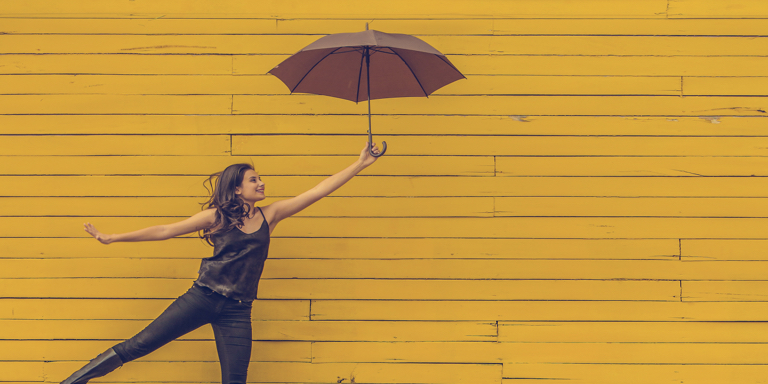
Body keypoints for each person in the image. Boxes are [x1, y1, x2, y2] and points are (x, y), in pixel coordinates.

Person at [61, 142, 381, 384]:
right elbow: (166, 230)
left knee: (235, 380)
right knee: (138, 346)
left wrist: (360, 163)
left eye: (260, 178)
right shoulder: (216, 217)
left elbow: (318, 191)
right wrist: (113, 237)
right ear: (238, 188)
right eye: (254, 179)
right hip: (202, 297)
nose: (262, 183)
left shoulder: (271, 215)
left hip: (238, 310)